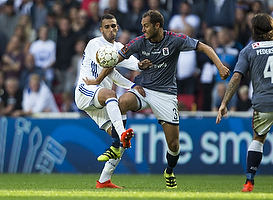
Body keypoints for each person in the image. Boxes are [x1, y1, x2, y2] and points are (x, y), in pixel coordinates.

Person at [85, 10, 230, 188]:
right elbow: (114, 60)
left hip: (165, 94)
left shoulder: (175, 40)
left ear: (157, 25)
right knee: (121, 102)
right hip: (143, 89)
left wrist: (220, 66)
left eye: (146, 26)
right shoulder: (139, 42)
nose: (143, 29)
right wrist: (98, 81)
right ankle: (117, 142)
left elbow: (205, 47)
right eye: (142, 26)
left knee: (174, 144)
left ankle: (169, 170)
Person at [74, 13, 146, 189]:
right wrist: (131, 85)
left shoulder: (120, 47)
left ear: (117, 27)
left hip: (101, 101)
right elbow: (110, 67)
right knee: (111, 95)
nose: (111, 29)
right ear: (101, 29)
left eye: (114, 26)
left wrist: (140, 66)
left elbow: (134, 65)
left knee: (119, 142)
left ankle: (104, 180)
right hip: (86, 89)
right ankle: (121, 135)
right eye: (107, 26)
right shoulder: (94, 44)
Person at [216, 13, 273, 192]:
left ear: (253, 29)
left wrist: (224, 102)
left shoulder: (248, 50)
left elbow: (236, 78)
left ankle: (249, 181)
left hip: (263, 102)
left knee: (258, 139)